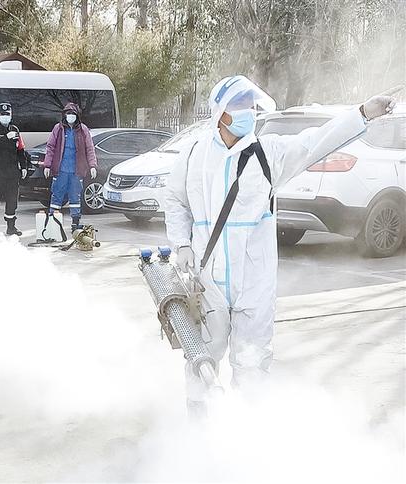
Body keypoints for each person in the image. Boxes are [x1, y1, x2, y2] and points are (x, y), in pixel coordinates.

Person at [165, 75, 398, 401]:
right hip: (207, 279)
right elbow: (175, 200)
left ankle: (247, 423)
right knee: (202, 356)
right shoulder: (194, 155)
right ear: (221, 113)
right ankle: (198, 418)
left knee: (252, 361)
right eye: (240, 105)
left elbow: (315, 142)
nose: (249, 112)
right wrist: (182, 244)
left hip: (254, 278)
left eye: (251, 105)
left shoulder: (267, 154)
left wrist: (362, 113)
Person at [43, 102, 98, 232]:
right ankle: (52, 223)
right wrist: (47, 165)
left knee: (75, 197)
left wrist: (92, 165)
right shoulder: (58, 129)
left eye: (73, 114)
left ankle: (75, 224)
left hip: (76, 170)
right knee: (56, 196)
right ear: (64, 115)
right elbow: (50, 147)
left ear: (77, 115)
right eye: (68, 114)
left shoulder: (83, 130)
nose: (70, 116)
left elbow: (90, 148)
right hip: (61, 170)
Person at [0, 102, 28, 236]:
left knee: (12, 201)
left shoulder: (15, 129)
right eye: (3, 114)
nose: (5, 117)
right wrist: (5, 138)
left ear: (11, 115)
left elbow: (20, 150)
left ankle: (11, 227)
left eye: (8, 114)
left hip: (12, 173)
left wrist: (24, 166)